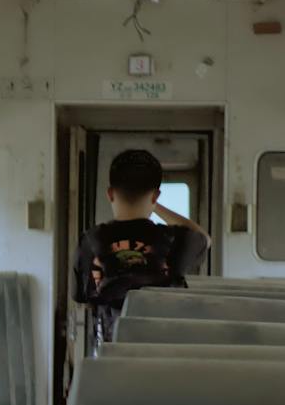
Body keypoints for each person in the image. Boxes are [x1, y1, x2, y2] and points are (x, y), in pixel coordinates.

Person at [73, 148, 211, 345]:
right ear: (155, 196)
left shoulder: (90, 240)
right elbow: (205, 239)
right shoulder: (171, 239)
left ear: (110, 194)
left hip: (110, 354)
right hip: (163, 351)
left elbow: (81, 299)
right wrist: (156, 205)